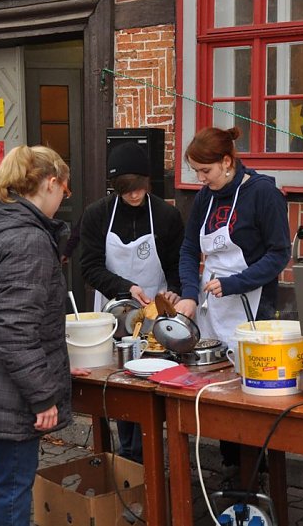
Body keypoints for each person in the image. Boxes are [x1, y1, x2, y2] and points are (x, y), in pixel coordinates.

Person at [0, 145, 90, 526]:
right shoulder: (26, 241)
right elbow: (15, 332)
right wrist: (42, 396)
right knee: (12, 492)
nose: (64, 199)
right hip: (10, 395)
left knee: (4, 488)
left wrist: (51, 372)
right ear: (50, 183)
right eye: (65, 190)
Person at [175, 126, 290, 469]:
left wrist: (236, 283)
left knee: (251, 392)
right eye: (196, 171)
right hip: (212, 306)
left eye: (205, 170)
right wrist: (189, 294)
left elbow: (279, 255)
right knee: (219, 389)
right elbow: (189, 248)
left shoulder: (263, 194)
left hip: (253, 305)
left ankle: (256, 470)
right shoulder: (205, 197)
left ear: (227, 162)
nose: (201, 178)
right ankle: (230, 465)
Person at [79, 139, 184, 463]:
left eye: (138, 187)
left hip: (157, 313)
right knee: (122, 383)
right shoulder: (97, 215)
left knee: (153, 380)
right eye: (126, 189)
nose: (134, 195)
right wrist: (125, 288)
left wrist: (175, 291)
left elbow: (178, 265)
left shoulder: (166, 215)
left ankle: (150, 454)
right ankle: (129, 458)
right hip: (114, 312)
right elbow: (89, 267)